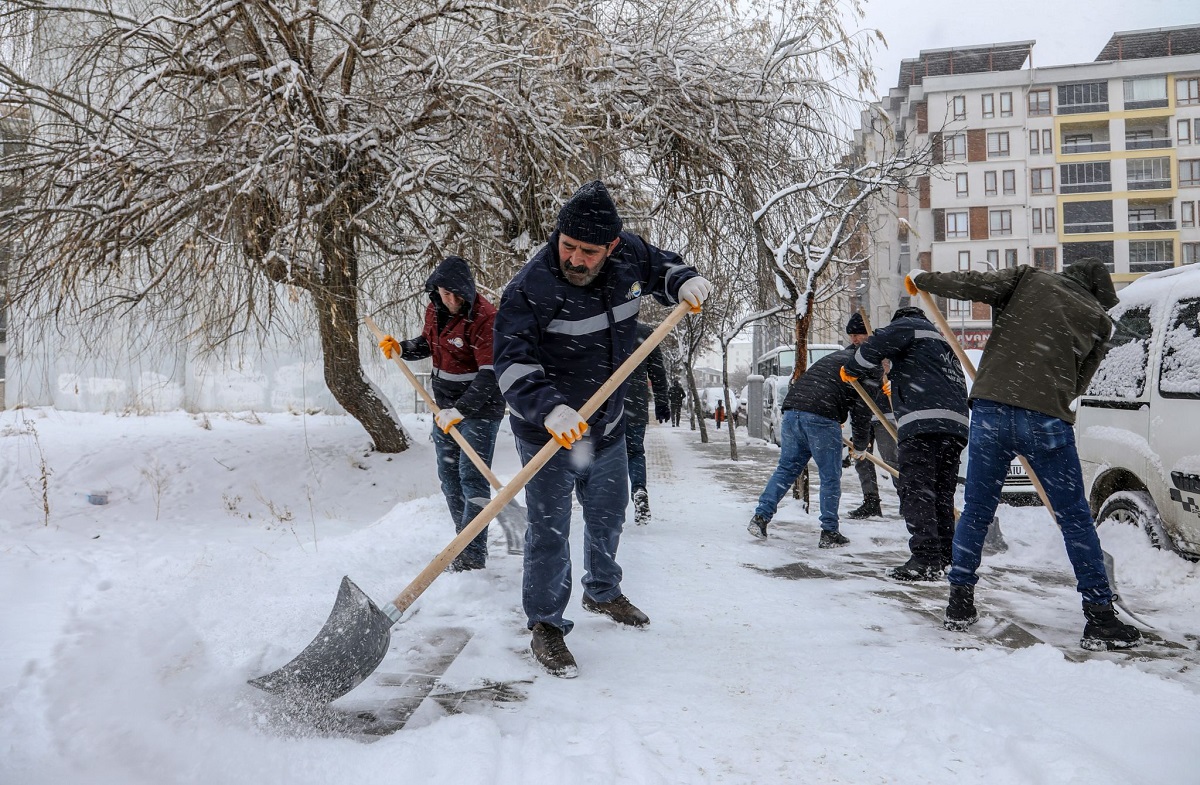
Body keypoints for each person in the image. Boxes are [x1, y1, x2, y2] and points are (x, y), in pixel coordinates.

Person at [493, 180, 711, 678]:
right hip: (548, 430)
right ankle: (546, 624)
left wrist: (681, 280)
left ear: (611, 247)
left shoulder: (629, 255)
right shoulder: (531, 287)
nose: (575, 259)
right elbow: (509, 360)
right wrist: (549, 408)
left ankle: (603, 591)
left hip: (607, 422)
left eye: (588, 252)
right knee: (549, 530)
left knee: (609, 514)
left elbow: (664, 266)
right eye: (567, 246)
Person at [906, 259, 1140, 650]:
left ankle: (959, 602)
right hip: (1047, 418)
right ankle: (1099, 617)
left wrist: (923, 280)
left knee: (977, 509)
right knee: (1075, 519)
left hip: (991, 409)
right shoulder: (1100, 322)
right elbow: (1078, 383)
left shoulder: (1029, 279)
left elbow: (972, 283)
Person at [379, 256, 504, 572]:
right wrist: (403, 348)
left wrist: (461, 411)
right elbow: (429, 344)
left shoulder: (485, 317)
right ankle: (462, 541)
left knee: (471, 476)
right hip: (443, 408)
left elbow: (490, 375)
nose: (450, 300)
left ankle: (472, 555)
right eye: (444, 293)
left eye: (455, 294)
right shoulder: (435, 308)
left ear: (467, 290)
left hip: (480, 409)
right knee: (449, 477)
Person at [841, 306, 969, 582]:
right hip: (955, 426)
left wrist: (851, 369)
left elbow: (869, 349)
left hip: (924, 423)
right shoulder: (939, 340)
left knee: (917, 490)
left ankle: (925, 558)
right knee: (941, 494)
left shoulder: (907, 327)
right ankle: (945, 556)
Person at [746, 347, 859, 548]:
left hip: (792, 413)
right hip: (821, 417)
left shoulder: (830, 359)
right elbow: (862, 411)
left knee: (786, 469)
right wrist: (860, 445)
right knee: (830, 476)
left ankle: (760, 518)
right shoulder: (864, 364)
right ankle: (829, 532)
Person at [844, 312, 898, 520]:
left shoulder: (882, 352)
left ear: (868, 334)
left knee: (892, 459)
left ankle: (907, 501)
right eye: (851, 335)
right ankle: (871, 502)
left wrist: (889, 372)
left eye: (858, 334)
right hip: (861, 414)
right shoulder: (851, 356)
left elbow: (897, 376)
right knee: (861, 458)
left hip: (885, 413)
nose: (854, 339)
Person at [625, 322, 671, 525]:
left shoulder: (602, 325)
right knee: (635, 452)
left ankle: (608, 505)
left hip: (606, 406)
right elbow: (658, 372)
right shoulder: (643, 332)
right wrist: (662, 401)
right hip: (635, 404)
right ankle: (639, 489)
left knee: (605, 455)